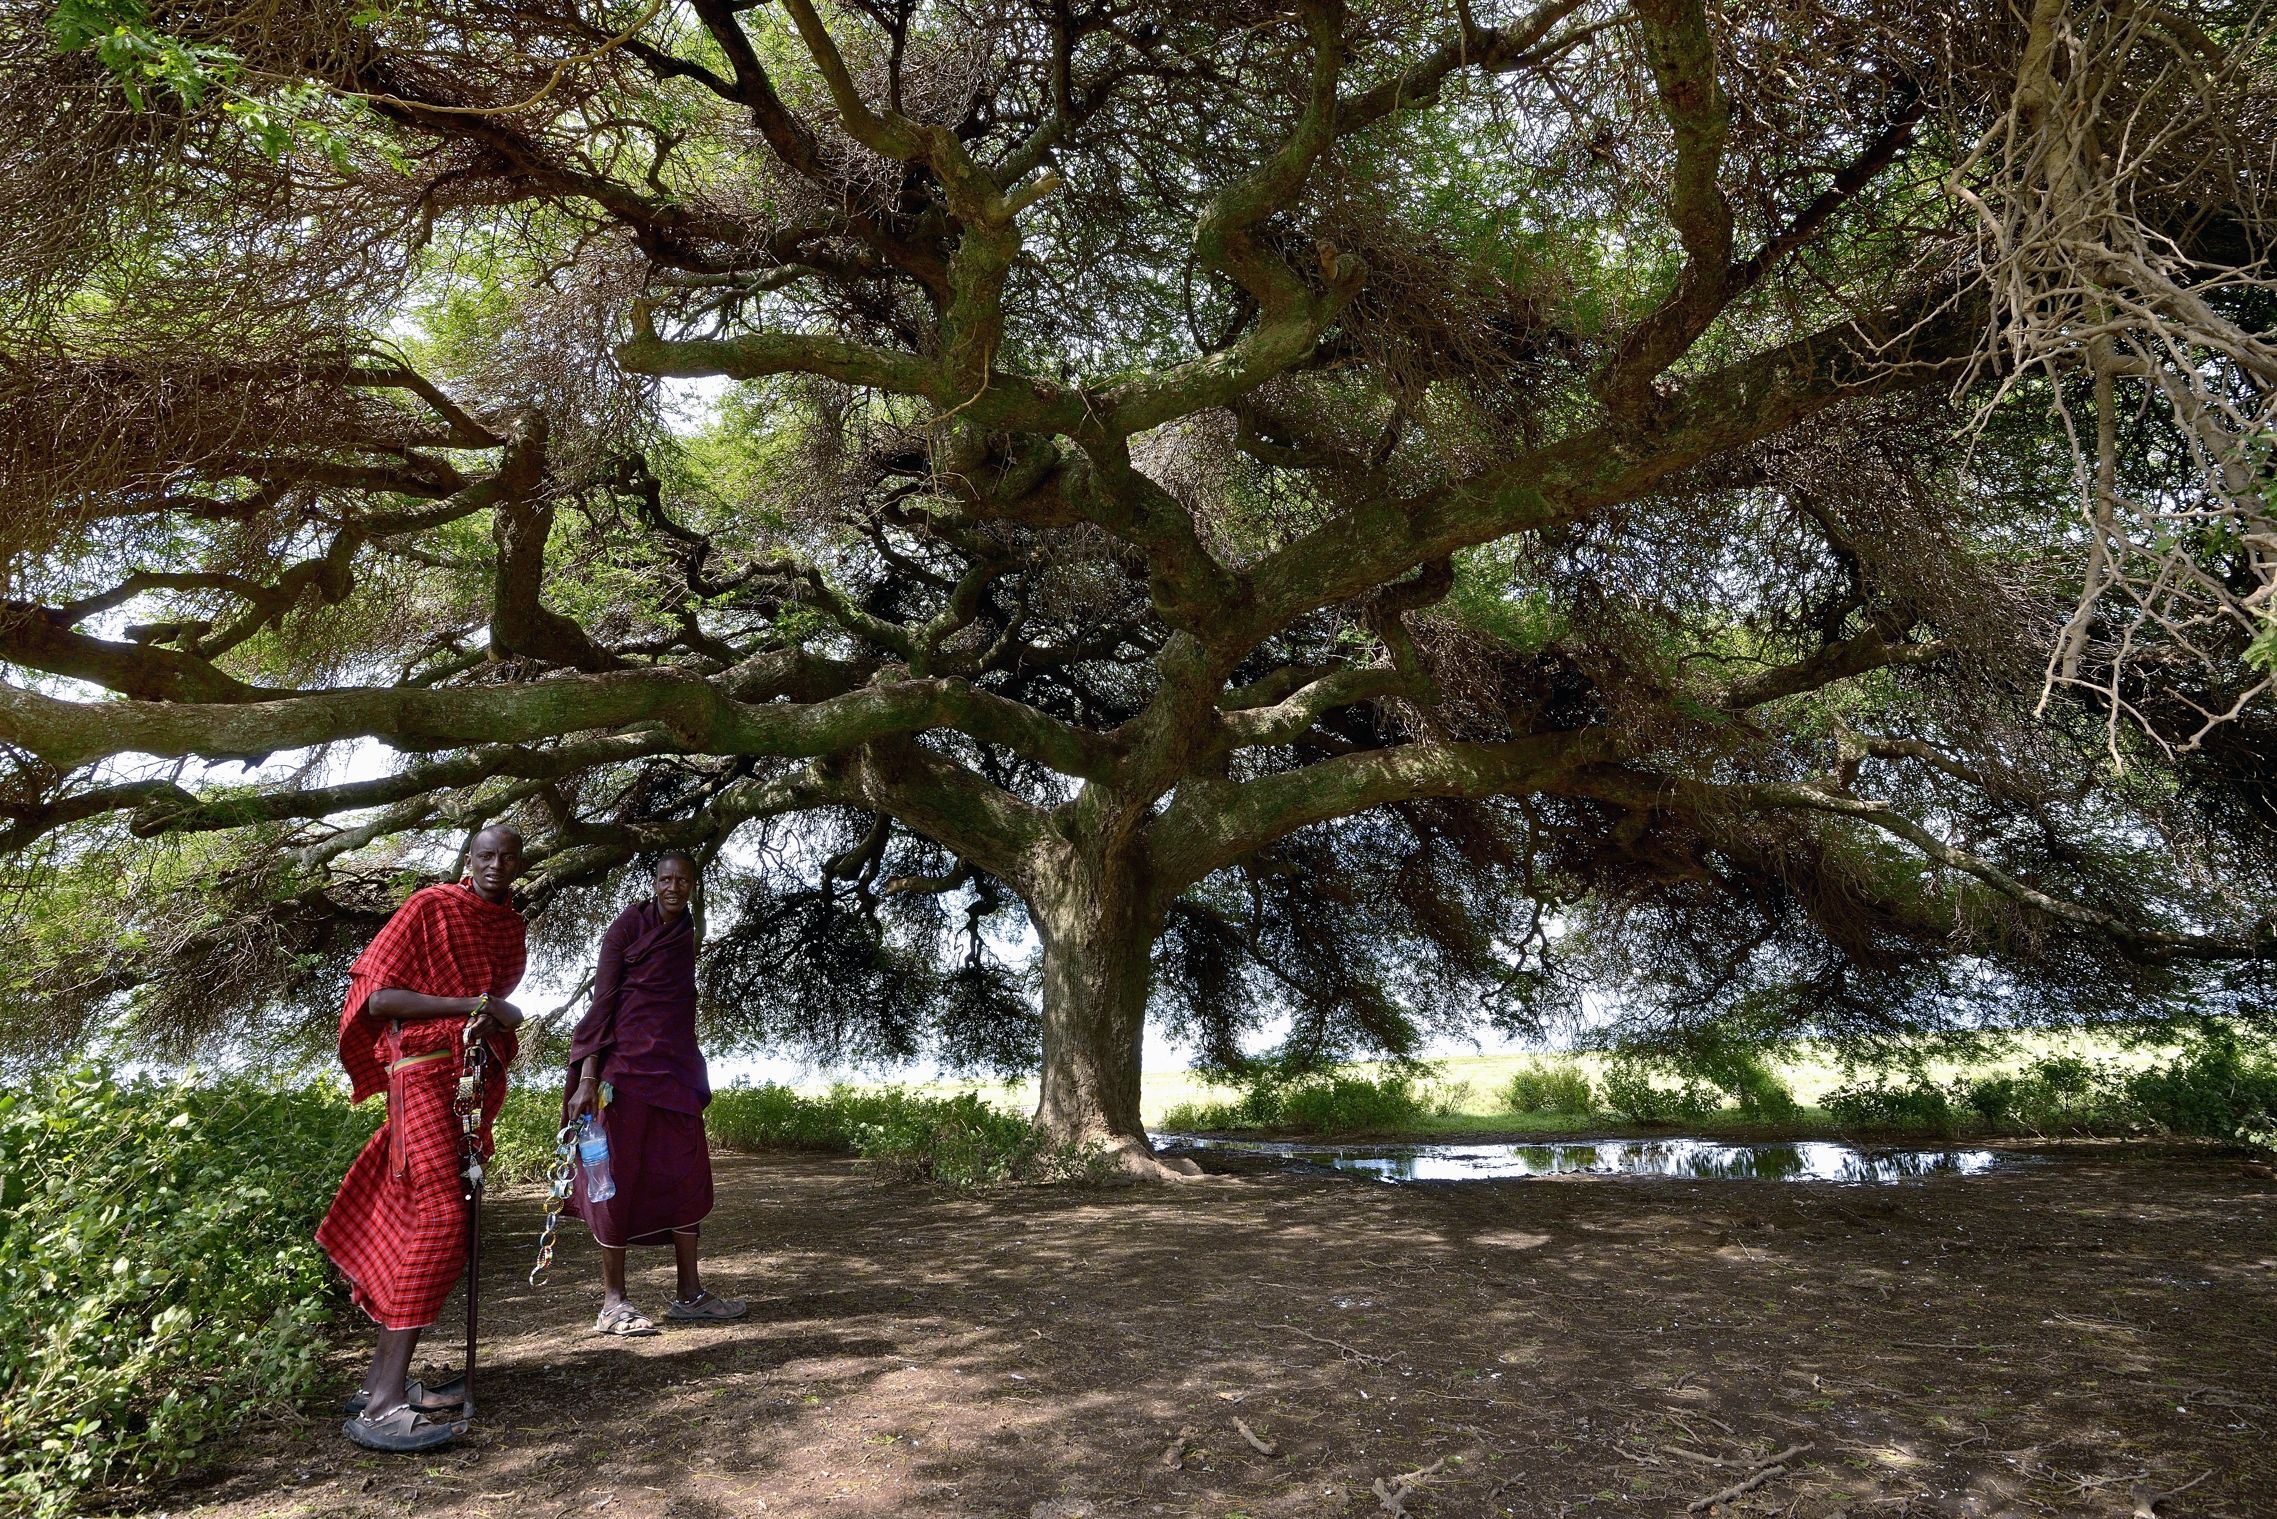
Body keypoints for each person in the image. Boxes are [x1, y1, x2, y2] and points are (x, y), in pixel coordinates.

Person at [316, 825, 528, 1453]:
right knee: (440, 1223)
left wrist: (496, 1015)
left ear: (519, 864)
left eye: (507, 856)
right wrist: (476, 1005)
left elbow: (495, 1004)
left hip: (464, 1081)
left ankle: (380, 1385)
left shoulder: (509, 927)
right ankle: (383, 1407)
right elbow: (379, 999)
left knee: (434, 1217)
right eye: (485, 855)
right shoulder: (429, 906)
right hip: (420, 1076)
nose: (495, 865)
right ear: (470, 859)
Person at [564, 849, 744, 1335]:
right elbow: (603, 1004)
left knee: (687, 1177)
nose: (673, 887)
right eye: (666, 879)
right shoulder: (627, 928)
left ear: (693, 886)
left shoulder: (685, 933)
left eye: (682, 880)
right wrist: (587, 1079)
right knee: (614, 1182)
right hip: (623, 1077)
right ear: (654, 882)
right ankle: (614, 1303)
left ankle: (690, 1294)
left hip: (676, 1075)